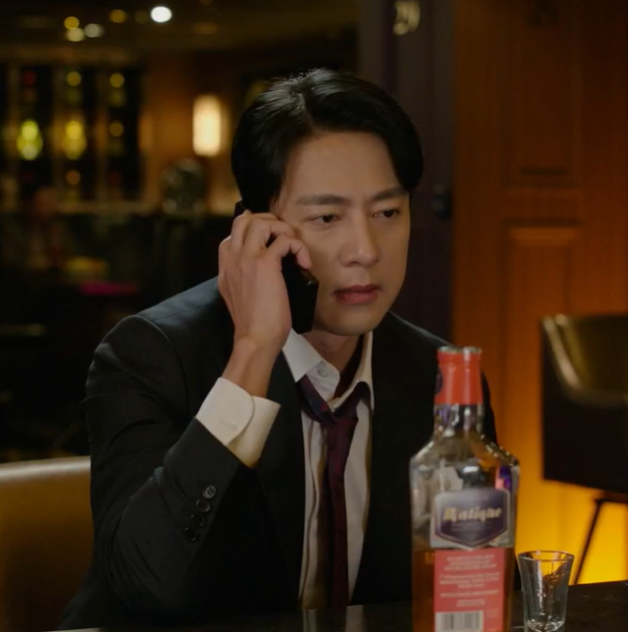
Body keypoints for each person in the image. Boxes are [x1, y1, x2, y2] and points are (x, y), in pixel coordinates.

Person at [59, 68, 497, 629]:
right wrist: (254, 350)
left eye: (387, 213)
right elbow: (145, 586)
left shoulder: (439, 377)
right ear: (257, 229)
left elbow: (476, 587)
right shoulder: (151, 355)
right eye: (327, 217)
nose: (365, 250)